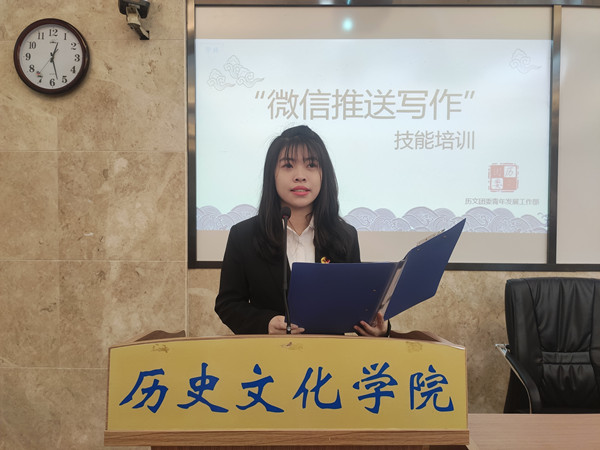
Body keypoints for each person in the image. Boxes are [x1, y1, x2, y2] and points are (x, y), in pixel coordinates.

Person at [215, 125, 389, 336]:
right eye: (288, 165)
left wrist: (378, 327)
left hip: (330, 354)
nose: (300, 176)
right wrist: (266, 324)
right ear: (272, 174)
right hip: (268, 353)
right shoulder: (244, 235)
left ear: (323, 174)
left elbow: (356, 302)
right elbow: (228, 303)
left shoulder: (345, 235)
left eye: (311, 165)